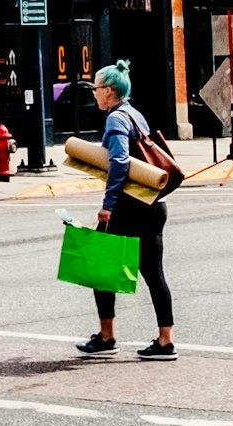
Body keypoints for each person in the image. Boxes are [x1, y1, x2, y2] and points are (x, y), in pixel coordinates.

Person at [75, 64, 179, 359]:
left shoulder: (115, 119)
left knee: (100, 267)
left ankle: (106, 337)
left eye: (96, 88)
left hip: (130, 208)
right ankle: (164, 341)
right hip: (154, 204)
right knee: (153, 273)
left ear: (108, 92)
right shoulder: (135, 114)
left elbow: (119, 161)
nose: (94, 94)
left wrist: (107, 206)